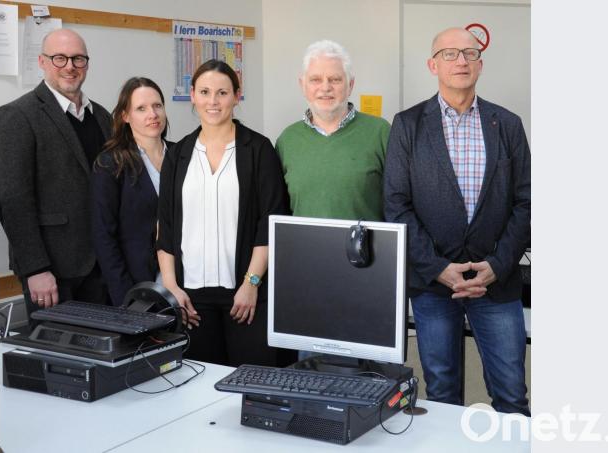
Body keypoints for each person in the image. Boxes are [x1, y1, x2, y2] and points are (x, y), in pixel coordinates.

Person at [383, 27, 531, 415]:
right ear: (433, 65)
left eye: (469, 53)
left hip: (496, 287)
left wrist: (497, 267)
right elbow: (396, 206)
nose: (461, 61)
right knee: (443, 395)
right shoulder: (407, 125)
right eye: (449, 54)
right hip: (434, 288)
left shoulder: (508, 124)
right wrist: (438, 268)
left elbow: (526, 202)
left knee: (512, 395)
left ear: (480, 63)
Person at [156, 60, 290, 367]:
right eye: (204, 92)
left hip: (245, 293)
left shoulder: (258, 149)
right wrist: (171, 287)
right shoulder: (178, 155)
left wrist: (251, 283)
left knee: (253, 380)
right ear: (192, 95)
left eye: (222, 92)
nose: (212, 101)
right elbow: (166, 226)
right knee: (199, 384)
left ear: (236, 96)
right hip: (191, 297)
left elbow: (269, 222)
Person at [0, 29, 111, 322]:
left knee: (104, 357)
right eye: (59, 58)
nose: (69, 66)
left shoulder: (101, 116)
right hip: (52, 271)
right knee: (59, 362)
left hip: (102, 266)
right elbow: (12, 199)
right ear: (42, 61)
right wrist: (35, 268)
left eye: (78, 59)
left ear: (87, 63)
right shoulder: (18, 116)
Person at [275, 40, 390, 222]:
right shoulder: (287, 140)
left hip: (365, 250)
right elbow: (279, 209)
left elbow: (399, 203)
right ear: (302, 85)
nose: (325, 87)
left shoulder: (381, 132)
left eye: (335, 79)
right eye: (315, 80)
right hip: (304, 249)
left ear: (350, 85)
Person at [91, 77, 173, 306]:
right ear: (125, 116)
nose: (152, 114)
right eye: (141, 108)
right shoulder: (110, 164)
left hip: (183, 282)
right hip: (134, 286)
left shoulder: (182, 156)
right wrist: (125, 297)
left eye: (157, 106)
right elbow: (103, 236)